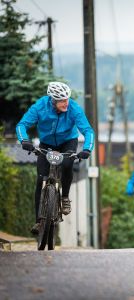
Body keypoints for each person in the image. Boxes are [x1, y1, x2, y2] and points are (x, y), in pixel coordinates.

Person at [16, 82, 94, 235]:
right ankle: (39, 221)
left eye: (67, 99)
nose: (66, 103)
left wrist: (86, 149)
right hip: (46, 143)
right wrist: (24, 140)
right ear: (52, 100)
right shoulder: (40, 106)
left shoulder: (74, 108)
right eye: (62, 100)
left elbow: (88, 131)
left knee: (67, 165)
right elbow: (22, 125)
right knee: (40, 180)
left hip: (68, 141)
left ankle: (64, 197)